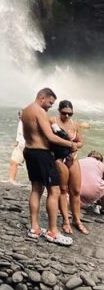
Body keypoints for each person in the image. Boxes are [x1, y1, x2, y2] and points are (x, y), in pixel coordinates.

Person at [20, 88, 81, 245]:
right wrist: (70, 144)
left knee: (36, 189)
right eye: (49, 103)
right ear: (41, 98)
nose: (49, 107)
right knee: (54, 191)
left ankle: (34, 228)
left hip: (29, 151)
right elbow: (50, 136)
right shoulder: (39, 111)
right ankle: (53, 231)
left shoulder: (26, 111)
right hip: (42, 154)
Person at [51, 101, 86, 235]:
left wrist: (76, 145)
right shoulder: (52, 121)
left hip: (73, 157)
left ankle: (77, 220)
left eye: (69, 114)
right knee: (63, 190)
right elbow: (49, 138)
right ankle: (66, 220)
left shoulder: (74, 124)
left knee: (76, 190)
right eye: (63, 113)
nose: (66, 116)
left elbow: (81, 141)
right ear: (59, 111)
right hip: (60, 159)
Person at [8, 110, 25, 184]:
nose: (20, 116)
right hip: (20, 145)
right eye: (19, 115)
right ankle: (11, 180)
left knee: (33, 167)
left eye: (21, 115)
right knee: (13, 161)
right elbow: (19, 133)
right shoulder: (20, 122)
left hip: (28, 147)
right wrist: (17, 142)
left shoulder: (30, 123)